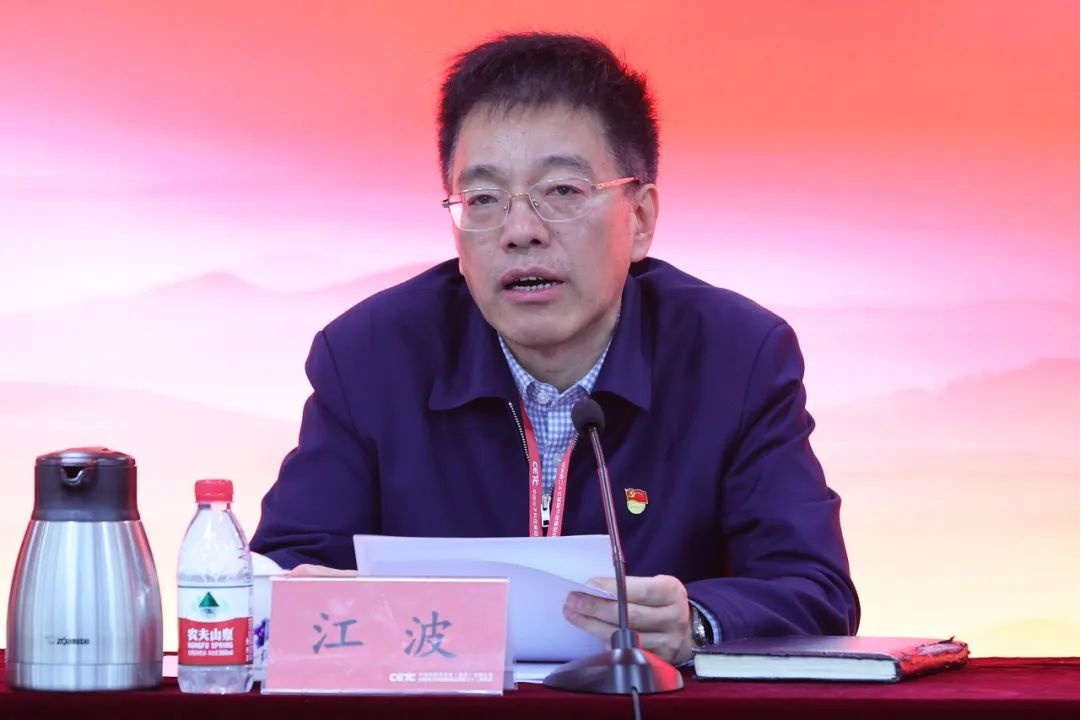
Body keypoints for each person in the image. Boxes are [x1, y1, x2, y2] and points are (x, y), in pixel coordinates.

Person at [250, 32, 859, 665]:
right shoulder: (370, 359)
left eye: (563, 191)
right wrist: (333, 604)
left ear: (641, 219)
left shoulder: (736, 358)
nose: (520, 231)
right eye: (483, 199)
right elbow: (284, 572)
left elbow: (814, 589)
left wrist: (698, 623)